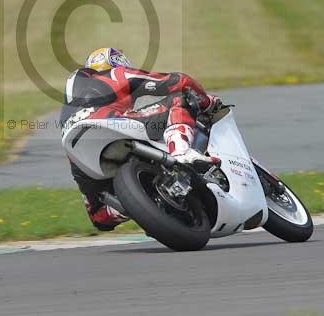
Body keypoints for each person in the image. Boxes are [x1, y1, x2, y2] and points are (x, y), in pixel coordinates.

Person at [60, 47, 222, 231]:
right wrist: (207, 102)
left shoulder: (71, 98)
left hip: (76, 149)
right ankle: (181, 152)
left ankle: (132, 204)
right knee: (179, 98)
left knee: (99, 215)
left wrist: (135, 204)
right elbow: (178, 81)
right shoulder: (117, 74)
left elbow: (99, 221)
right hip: (106, 122)